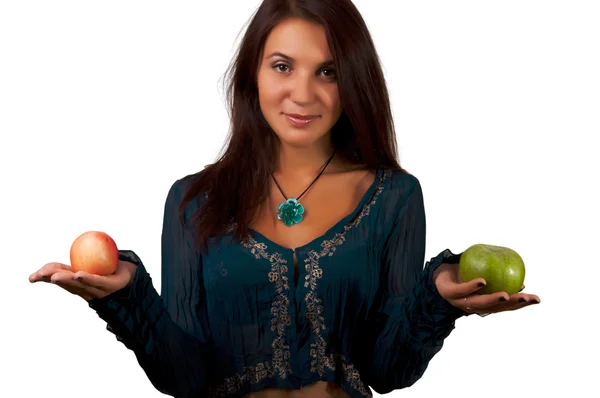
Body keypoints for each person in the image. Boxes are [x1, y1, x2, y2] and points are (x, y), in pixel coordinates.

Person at [29, 1, 540, 397]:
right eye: (282, 66)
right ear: (253, 73)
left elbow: (388, 372)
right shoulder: (191, 201)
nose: (303, 93)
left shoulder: (394, 197)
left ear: (353, 81)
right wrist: (126, 299)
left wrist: (437, 303)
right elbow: (183, 378)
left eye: (328, 71)